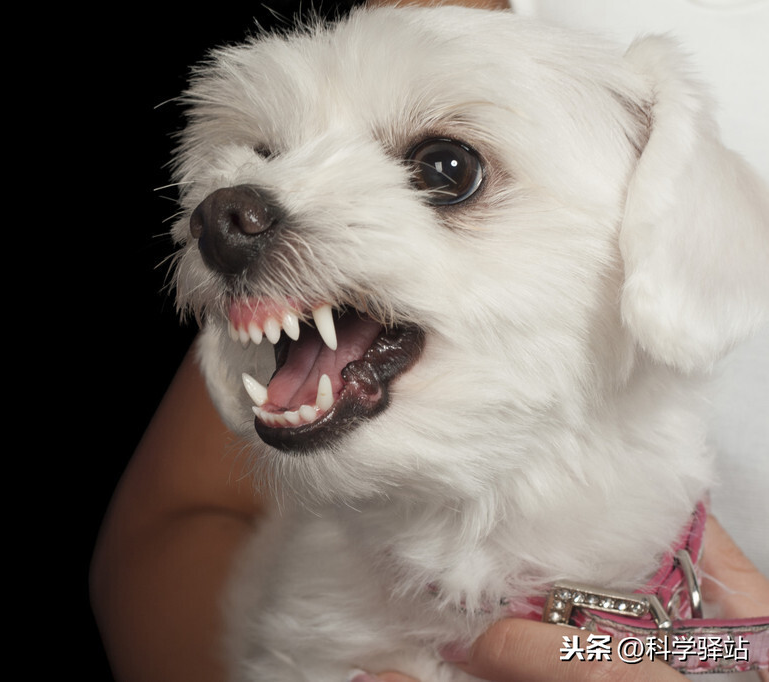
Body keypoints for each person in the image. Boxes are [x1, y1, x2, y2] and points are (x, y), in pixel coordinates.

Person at [91, 1, 769, 680]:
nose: (238, 211)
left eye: (445, 170)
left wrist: (741, 652)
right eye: (267, 152)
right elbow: (174, 518)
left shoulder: (731, 640)